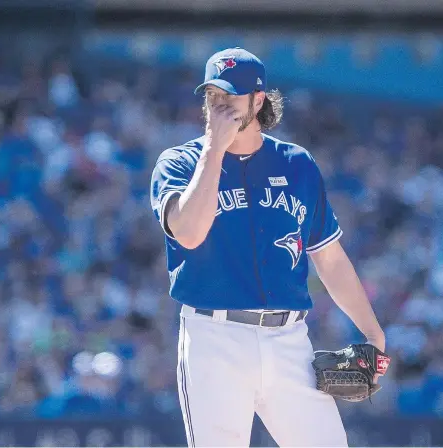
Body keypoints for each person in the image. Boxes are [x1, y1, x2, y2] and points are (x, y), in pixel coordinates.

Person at [149, 47, 386, 447]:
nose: (219, 106)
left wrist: (373, 333)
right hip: (213, 337)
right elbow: (188, 232)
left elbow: (328, 256)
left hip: (289, 339)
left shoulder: (297, 164)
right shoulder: (179, 162)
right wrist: (214, 151)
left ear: (258, 100)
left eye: (230, 97)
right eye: (212, 97)